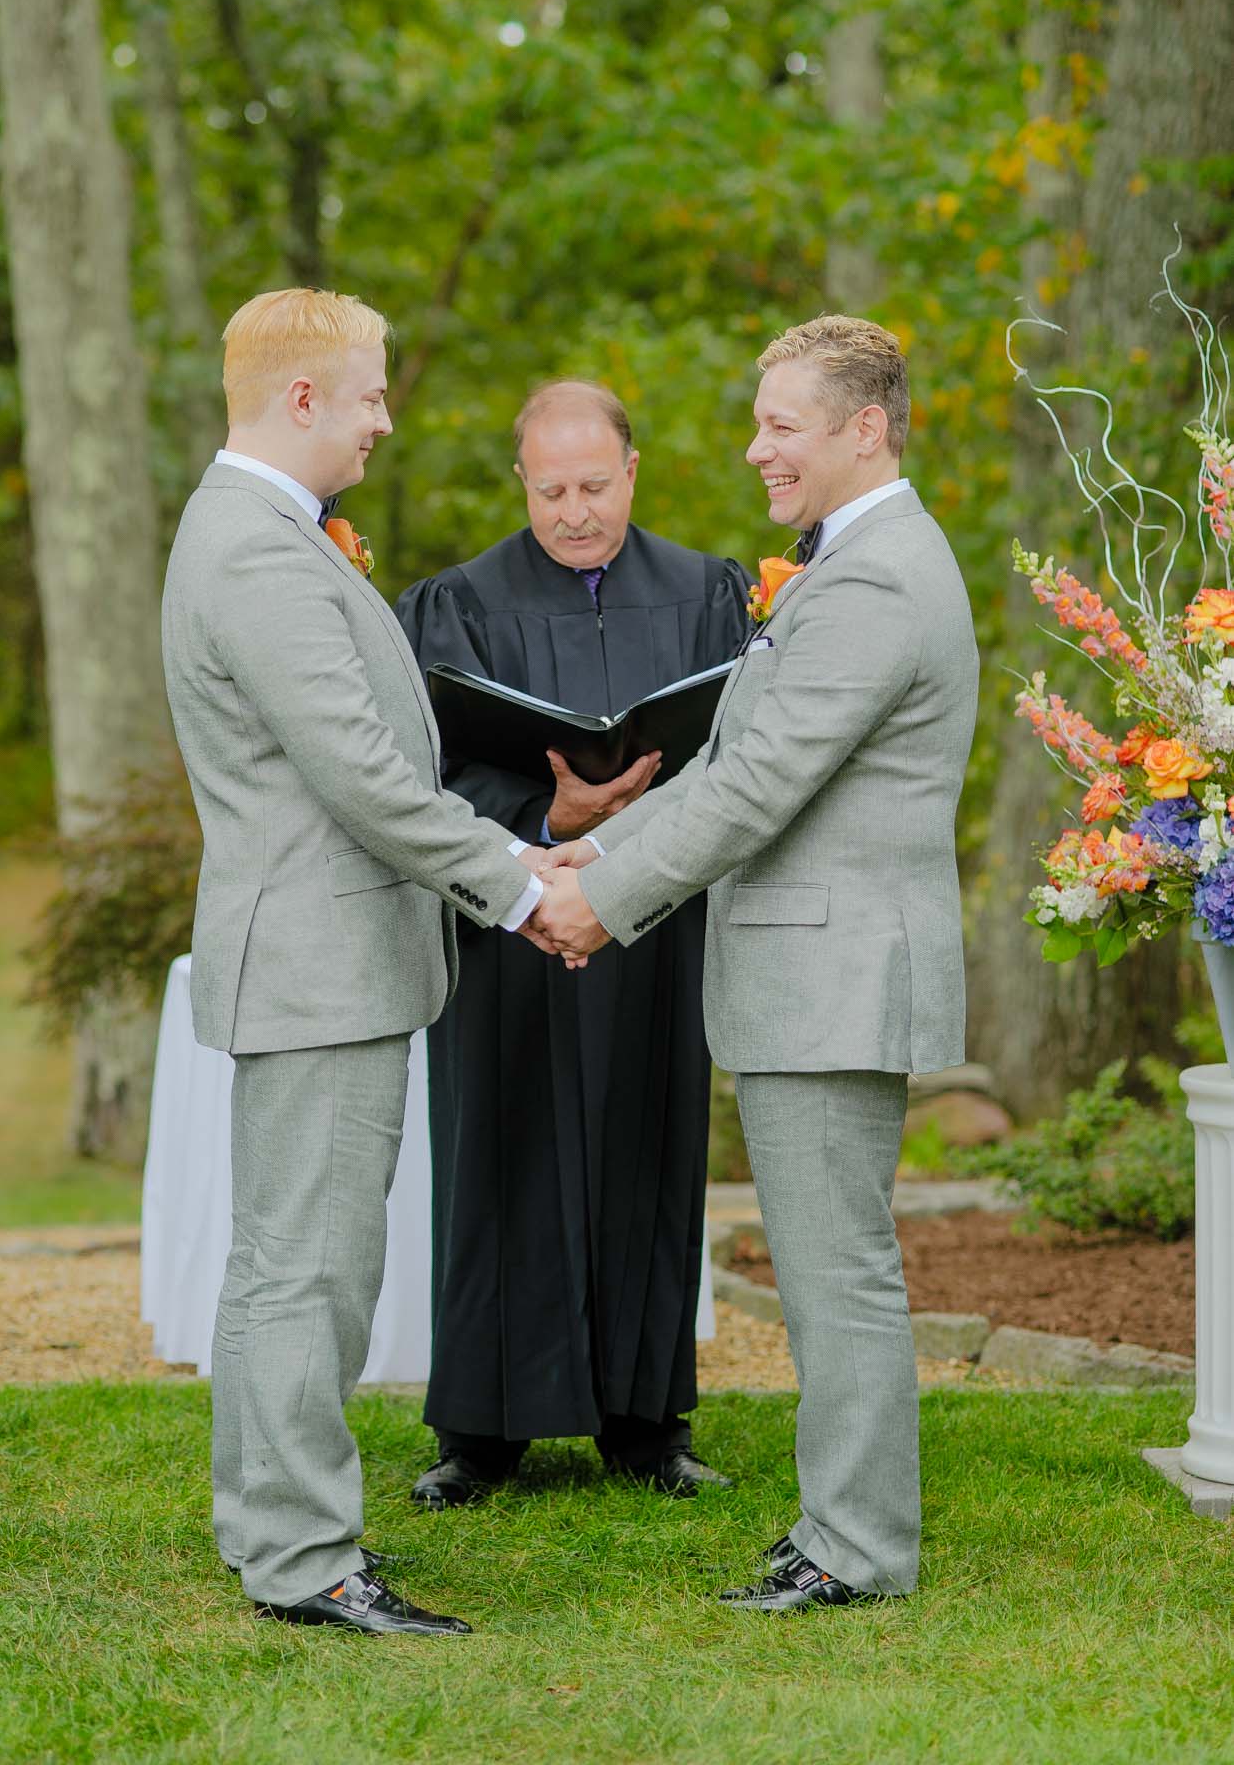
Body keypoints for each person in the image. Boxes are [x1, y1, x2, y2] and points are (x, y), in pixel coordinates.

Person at [535, 317, 979, 1611]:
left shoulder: (879, 577)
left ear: (862, 428)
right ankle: (838, 1519)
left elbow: (761, 789)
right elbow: (733, 772)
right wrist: (584, 861)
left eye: (780, 424)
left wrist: (598, 902)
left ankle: (856, 1545)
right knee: (823, 1261)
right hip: (812, 974)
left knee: (834, 1268)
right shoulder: (843, 563)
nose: (754, 448)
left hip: (832, 975)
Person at [161, 287, 555, 1637]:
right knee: (305, 1269)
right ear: (306, 399)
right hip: (319, 963)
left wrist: (526, 858)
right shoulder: (258, 553)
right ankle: (302, 1559)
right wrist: (512, 885)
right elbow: (362, 779)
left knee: (294, 1259)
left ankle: (270, 1528)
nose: (388, 417)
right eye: (375, 392)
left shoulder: (270, 537)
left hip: (333, 959)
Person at [395, 380, 750, 1505]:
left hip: (650, 922)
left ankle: (647, 1423)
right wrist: (550, 822)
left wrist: (625, 837)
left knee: (646, 1148)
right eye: (549, 490)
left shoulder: (707, 592)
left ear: (631, 472)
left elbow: (740, 758)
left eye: (593, 485)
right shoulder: (457, 601)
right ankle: (481, 1433)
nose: (572, 511)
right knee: (496, 1152)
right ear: (522, 482)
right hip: (514, 919)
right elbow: (424, 770)